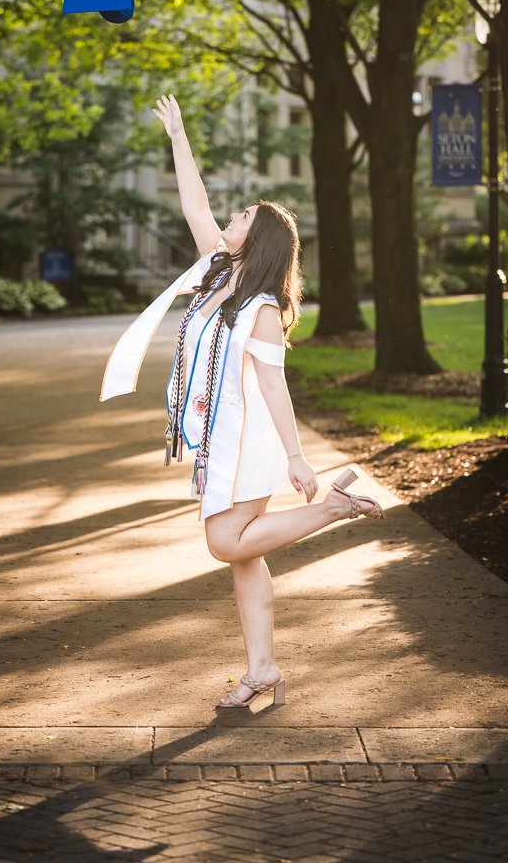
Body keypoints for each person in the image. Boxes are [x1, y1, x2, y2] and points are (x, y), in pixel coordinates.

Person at [103, 94, 384, 712]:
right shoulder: (217, 272)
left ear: (257, 240)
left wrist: (296, 456)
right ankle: (263, 669)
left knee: (226, 543)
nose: (229, 219)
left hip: (245, 441)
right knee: (244, 558)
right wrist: (178, 137)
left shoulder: (260, 308)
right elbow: (194, 205)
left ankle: (332, 510)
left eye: (242, 218)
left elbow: (275, 386)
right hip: (216, 439)